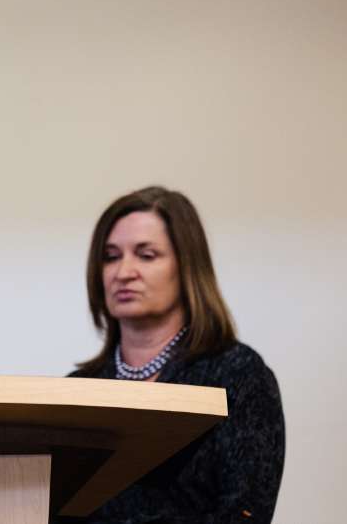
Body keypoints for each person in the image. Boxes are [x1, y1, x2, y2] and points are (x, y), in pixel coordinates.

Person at [68, 186, 284, 523]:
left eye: (146, 255)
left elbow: (245, 513)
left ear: (187, 267)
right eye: (110, 256)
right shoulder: (78, 389)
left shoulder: (237, 374)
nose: (123, 272)